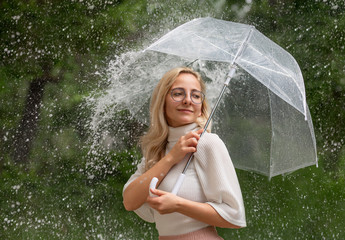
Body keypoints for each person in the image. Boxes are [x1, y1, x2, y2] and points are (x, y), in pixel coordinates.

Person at [123, 67, 246, 239]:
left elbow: (234, 216)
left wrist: (178, 204)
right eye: (178, 93)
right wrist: (171, 158)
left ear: (201, 107)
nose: (188, 100)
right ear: (162, 101)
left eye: (196, 95)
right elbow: (129, 201)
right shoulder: (158, 149)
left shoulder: (207, 144)